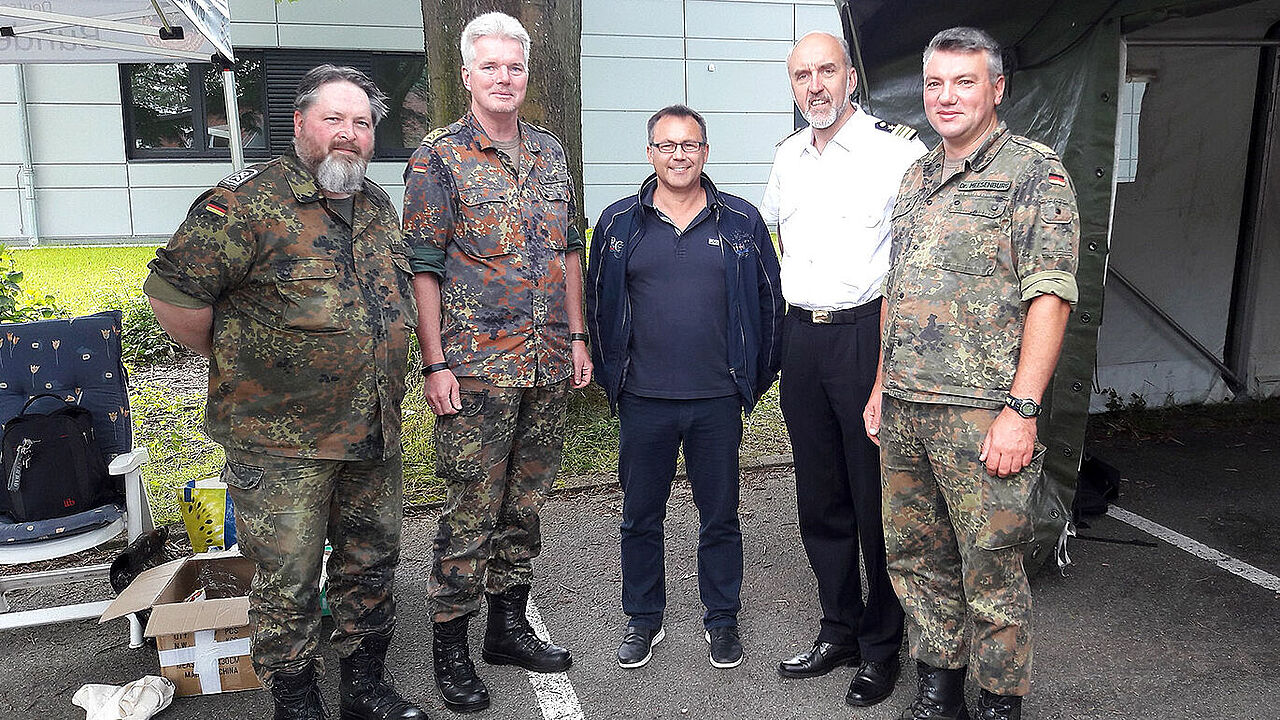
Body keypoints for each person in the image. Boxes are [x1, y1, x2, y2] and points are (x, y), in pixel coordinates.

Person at [144, 65, 427, 720]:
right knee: (288, 582)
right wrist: (241, 359)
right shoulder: (245, 202)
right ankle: (297, 705)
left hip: (372, 434)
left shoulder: (378, 206)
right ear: (301, 124)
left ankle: (365, 690)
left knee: (370, 566)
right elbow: (172, 297)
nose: (348, 135)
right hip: (280, 442)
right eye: (334, 120)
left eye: (361, 124)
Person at [864, 27, 1079, 720]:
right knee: (917, 562)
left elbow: (1050, 293)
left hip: (983, 413)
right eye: (934, 83)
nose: (946, 96)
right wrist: (878, 386)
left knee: (990, 570)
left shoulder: (1032, 173)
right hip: (906, 407)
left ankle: (999, 702)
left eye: (963, 81)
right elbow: (895, 291)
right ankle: (939, 692)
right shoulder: (917, 175)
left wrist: (1023, 408)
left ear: (996, 87)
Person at [401, 11, 592, 715]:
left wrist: (577, 338)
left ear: (526, 72)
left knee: (526, 504)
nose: (504, 78)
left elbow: (570, 248)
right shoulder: (438, 156)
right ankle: (450, 643)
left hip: (545, 363)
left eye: (514, 66)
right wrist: (433, 363)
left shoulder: (549, 151)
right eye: (490, 67)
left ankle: (508, 628)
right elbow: (422, 267)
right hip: (476, 368)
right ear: (466, 75)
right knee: (470, 510)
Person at [760, 31, 926, 708]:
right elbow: (772, 240)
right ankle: (840, 631)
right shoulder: (788, 156)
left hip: (868, 340)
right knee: (820, 498)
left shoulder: (899, 151)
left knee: (874, 504)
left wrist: (888, 376)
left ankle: (883, 649)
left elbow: (913, 272)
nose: (815, 85)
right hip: (805, 341)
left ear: (850, 77)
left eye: (826, 70)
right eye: (803, 75)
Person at [586, 105, 784, 671]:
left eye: (690, 144)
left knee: (719, 516)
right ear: (649, 152)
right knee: (639, 516)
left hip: (716, 400)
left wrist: (752, 379)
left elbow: (770, 307)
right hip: (643, 400)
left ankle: (721, 620)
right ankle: (643, 620)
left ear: (705, 152)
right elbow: (599, 310)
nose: (679, 154)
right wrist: (613, 381)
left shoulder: (741, 223)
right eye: (667, 144)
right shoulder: (619, 225)